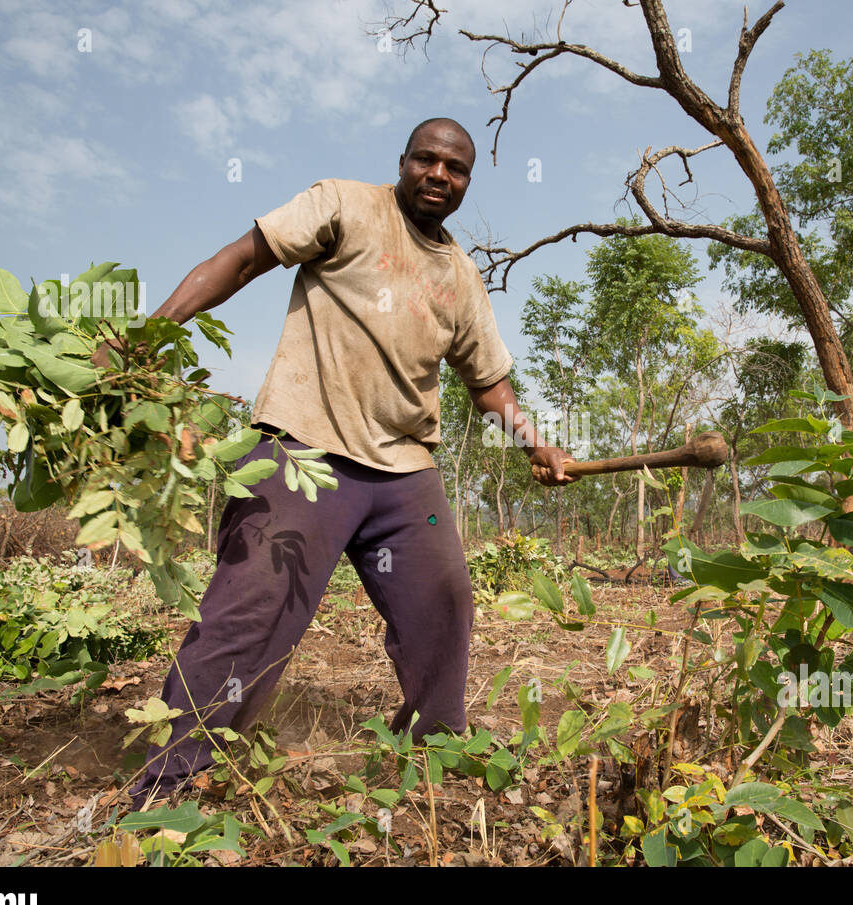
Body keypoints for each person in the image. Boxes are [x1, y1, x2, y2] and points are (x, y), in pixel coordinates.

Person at [123, 117, 577, 807]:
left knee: (444, 605)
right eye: (426, 160)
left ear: (466, 183)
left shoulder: (460, 275)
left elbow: (488, 382)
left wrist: (532, 441)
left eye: (455, 169)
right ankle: (171, 782)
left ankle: (436, 756)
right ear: (402, 162)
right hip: (303, 446)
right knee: (250, 615)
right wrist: (149, 336)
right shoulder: (343, 204)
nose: (438, 175)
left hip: (402, 469)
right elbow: (242, 258)